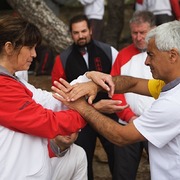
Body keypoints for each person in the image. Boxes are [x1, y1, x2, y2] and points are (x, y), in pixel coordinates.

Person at [52, 20, 180, 180]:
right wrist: (96, 85)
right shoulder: (169, 85)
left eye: (151, 55)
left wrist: (81, 106)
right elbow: (134, 83)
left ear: (172, 56)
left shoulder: (173, 104)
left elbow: (121, 136)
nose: (146, 61)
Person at [0, 15, 87, 180]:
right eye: (30, 47)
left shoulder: (15, 81)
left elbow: (50, 100)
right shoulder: (3, 86)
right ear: (9, 47)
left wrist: (87, 79)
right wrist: (86, 113)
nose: (34, 54)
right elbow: (46, 122)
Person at [51, 14, 120, 180]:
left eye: (83, 31)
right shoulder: (62, 59)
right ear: (71, 34)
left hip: (109, 112)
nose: (80, 36)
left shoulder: (109, 51)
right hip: (79, 118)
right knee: (83, 158)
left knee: (118, 157)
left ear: (91, 30)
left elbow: (120, 80)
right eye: (76, 33)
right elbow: (58, 93)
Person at [110, 10, 155, 180]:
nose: (138, 37)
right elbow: (114, 90)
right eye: (134, 33)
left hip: (156, 124)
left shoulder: (164, 54)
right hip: (128, 124)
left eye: (142, 32)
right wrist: (128, 116)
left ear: (153, 29)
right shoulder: (123, 55)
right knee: (123, 173)